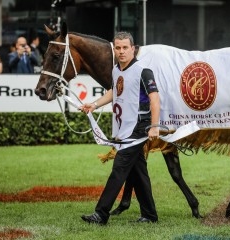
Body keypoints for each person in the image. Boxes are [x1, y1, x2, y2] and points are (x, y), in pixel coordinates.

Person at [80, 32, 160, 225]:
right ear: (114, 49)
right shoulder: (116, 69)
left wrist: (155, 126)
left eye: (125, 47)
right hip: (123, 128)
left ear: (133, 48)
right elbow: (114, 91)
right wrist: (94, 104)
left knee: (119, 169)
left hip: (138, 128)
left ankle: (101, 214)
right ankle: (149, 215)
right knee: (138, 172)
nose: (122, 51)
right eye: (118, 48)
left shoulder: (143, 71)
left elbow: (155, 99)